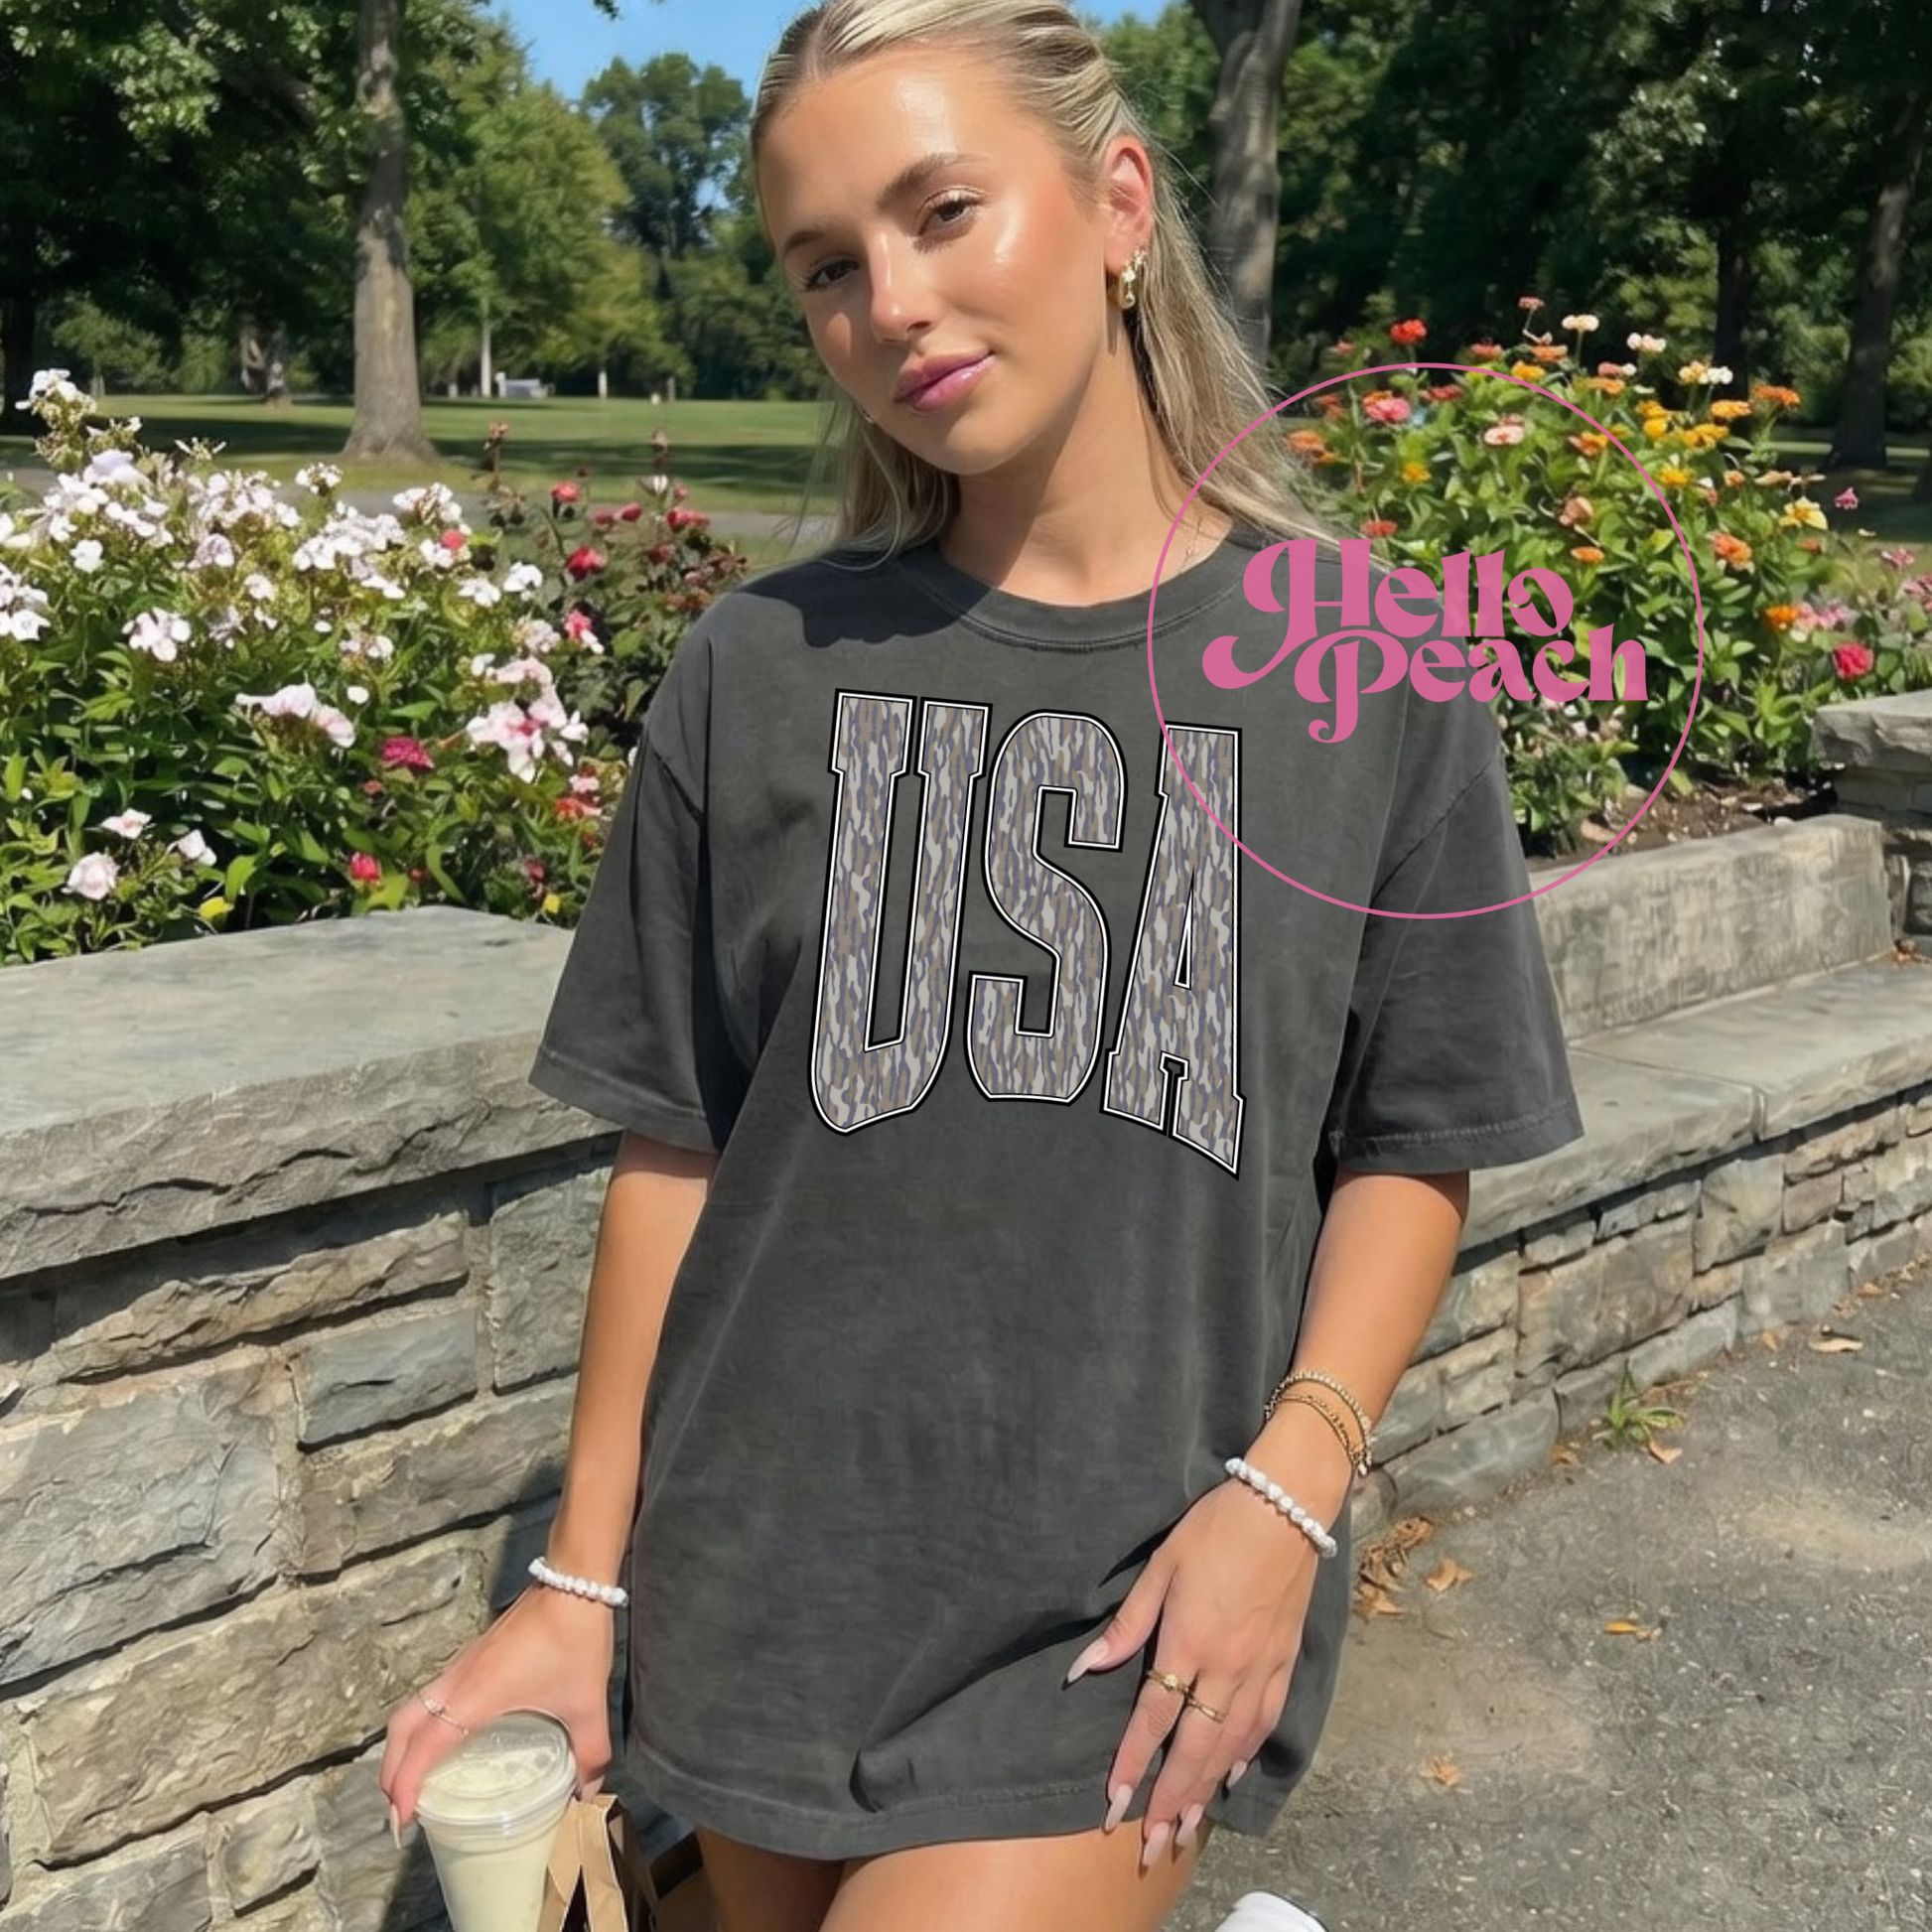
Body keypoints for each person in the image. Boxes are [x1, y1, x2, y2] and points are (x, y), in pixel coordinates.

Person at [379, 3, 1586, 1928]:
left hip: (1116, 1604)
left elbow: (1413, 1136)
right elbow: (674, 1150)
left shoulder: (1363, 666)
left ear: (1120, 205)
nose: (894, 304)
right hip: (767, 1573)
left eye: (944, 211)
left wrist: (1290, 1490)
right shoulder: (757, 669)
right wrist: (578, 1584)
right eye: (825, 265)